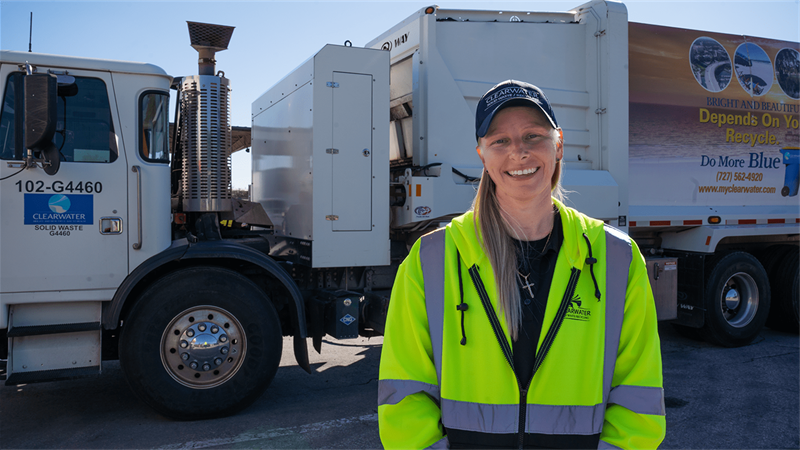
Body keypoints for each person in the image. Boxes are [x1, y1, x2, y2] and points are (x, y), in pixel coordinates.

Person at [378, 80, 665, 449]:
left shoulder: (617, 259)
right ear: (481, 154)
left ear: (558, 144)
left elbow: (638, 402)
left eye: (533, 136)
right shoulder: (430, 259)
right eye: (500, 140)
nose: (518, 151)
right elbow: (404, 398)